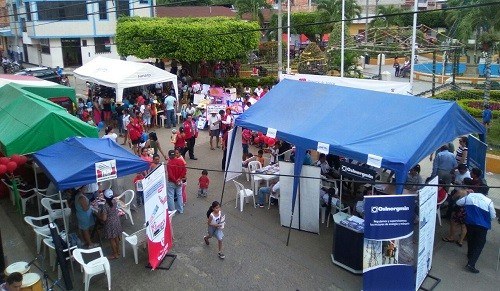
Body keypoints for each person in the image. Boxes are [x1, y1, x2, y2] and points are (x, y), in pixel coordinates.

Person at [455, 186, 496, 273]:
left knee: (471, 239)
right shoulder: (489, 201)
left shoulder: (469, 196)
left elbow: (458, 203)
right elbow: (493, 216)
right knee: (479, 244)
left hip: (469, 222)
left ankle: (470, 255)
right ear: (486, 193)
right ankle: (471, 264)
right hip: (482, 225)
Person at [98, 189, 122, 259]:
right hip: (116, 221)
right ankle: (118, 251)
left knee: (112, 239)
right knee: (117, 237)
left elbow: (104, 218)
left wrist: (99, 216)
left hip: (110, 223)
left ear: (105, 197)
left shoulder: (105, 206)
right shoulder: (115, 201)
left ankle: (115, 254)